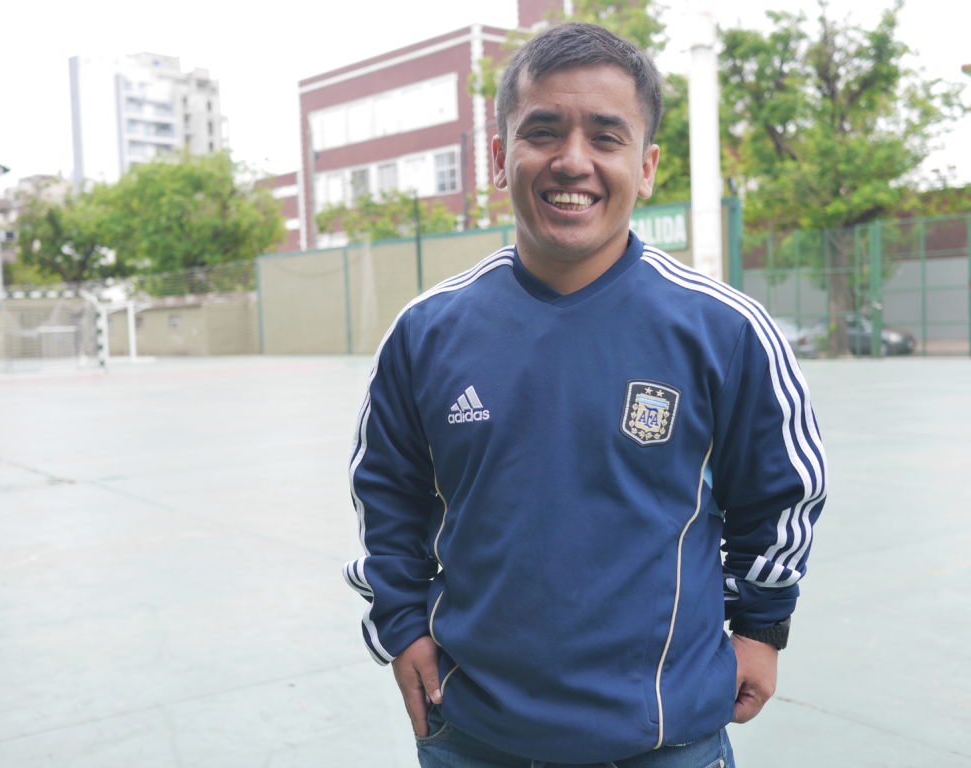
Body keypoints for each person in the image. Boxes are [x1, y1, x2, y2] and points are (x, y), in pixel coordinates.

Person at [344, 21, 826, 768]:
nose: (573, 161)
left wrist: (761, 628)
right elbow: (387, 496)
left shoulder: (724, 330)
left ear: (648, 164)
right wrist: (402, 623)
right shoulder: (426, 333)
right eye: (543, 131)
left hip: (665, 740)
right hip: (474, 734)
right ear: (501, 159)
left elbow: (781, 495)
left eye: (606, 136)